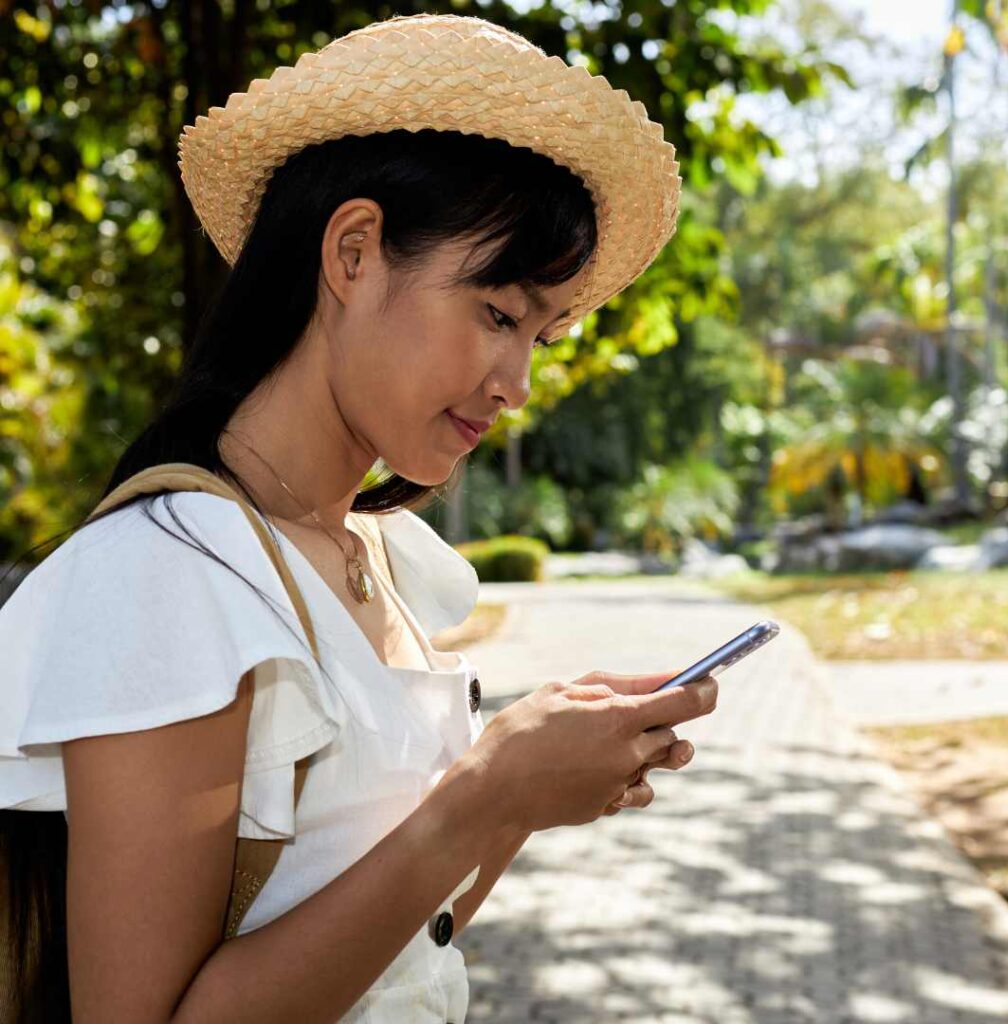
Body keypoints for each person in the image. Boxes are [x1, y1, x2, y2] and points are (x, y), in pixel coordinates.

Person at [0, 13, 718, 1023]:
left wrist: (520, 789)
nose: (515, 382)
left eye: (543, 336)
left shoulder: (372, 558)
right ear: (353, 251)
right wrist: (485, 793)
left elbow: (399, 959)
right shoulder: (171, 577)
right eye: (499, 314)